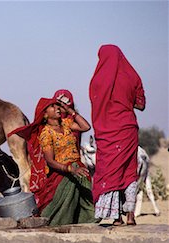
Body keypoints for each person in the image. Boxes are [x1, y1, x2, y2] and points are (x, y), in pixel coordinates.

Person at [8, 97, 96, 226]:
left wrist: (70, 111)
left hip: (78, 169)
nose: (57, 109)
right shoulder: (46, 133)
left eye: (58, 106)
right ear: (44, 114)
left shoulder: (66, 124)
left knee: (85, 202)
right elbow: (50, 161)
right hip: (62, 174)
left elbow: (86, 127)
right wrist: (70, 169)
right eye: (52, 107)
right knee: (61, 208)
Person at [89, 44, 146, 226]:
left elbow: (96, 104)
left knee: (110, 171)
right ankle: (130, 214)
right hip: (128, 130)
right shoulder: (132, 76)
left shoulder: (97, 80)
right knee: (129, 171)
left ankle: (116, 217)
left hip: (107, 131)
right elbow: (141, 105)